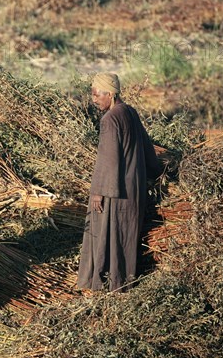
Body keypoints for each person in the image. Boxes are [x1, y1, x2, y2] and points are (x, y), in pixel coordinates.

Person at [77, 72, 159, 292]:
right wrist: (156, 172)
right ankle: (124, 281)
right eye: (92, 94)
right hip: (134, 186)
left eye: (96, 94)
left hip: (116, 189)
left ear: (110, 94)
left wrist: (98, 192)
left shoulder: (110, 119)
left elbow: (108, 159)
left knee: (107, 233)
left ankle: (107, 283)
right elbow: (146, 146)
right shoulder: (130, 111)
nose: (93, 99)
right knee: (126, 234)